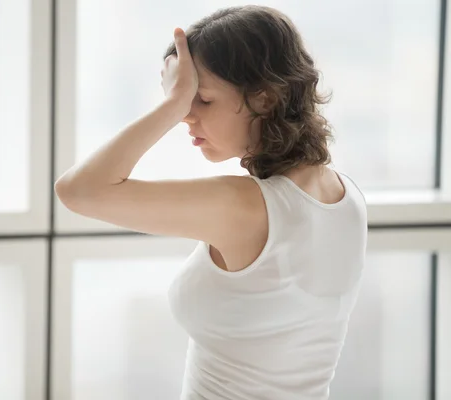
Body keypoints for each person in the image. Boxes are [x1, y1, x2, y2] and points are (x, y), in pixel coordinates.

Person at [55, 5, 367, 400]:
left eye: (200, 99)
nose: (187, 116)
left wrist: (168, 107)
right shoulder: (347, 196)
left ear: (265, 98)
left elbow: (78, 191)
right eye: (183, 102)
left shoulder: (246, 207)